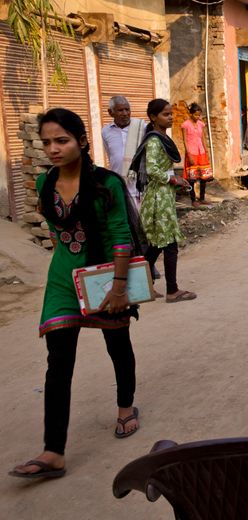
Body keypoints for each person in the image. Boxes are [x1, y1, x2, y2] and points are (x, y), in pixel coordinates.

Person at [10, 108, 143, 479]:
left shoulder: (107, 184)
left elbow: (120, 235)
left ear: (82, 142)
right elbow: (56, 234)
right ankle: (54, 452)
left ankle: (125, 408)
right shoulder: (44, 184)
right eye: (47, 142)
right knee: (58, 363)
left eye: (62, 140)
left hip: (104, 277)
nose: (53, 149)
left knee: (118, 346)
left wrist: (118, 288)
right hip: (63, 281)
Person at [139, 99, 197, 304]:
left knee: (156, 245)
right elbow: (152, 169)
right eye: (165, 114)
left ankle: (141, 287)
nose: (171, 117)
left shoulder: (162, 138)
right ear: (153, 117)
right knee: (169, 244)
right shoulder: (154, 141)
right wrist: (172, 179)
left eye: (171, 113)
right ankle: (172, 291)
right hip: (158, 199)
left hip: (164, 195)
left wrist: (176, 181)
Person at [101, 96, 146, 203]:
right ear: (110, 112)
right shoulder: (105, 131)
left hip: (139, 187)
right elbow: (111, 155)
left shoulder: (142, 128)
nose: (125, 113)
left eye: (127, 109)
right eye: (120, 110)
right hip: (119, 185)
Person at [180, 102, 214, 208]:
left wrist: (206, 150)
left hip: (201, 152)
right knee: (192, 178)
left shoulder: (201, 124)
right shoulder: (185, 125)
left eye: (199, 115)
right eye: (195, 115)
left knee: (204, 176)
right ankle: (193, 199)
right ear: (191, 114)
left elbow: (202, 137)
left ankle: (202, 198)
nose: (197, 117)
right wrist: (188, 154)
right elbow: (184, 140)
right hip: (192, 152)